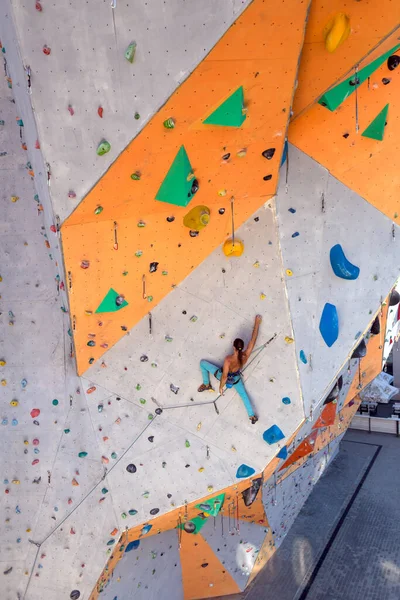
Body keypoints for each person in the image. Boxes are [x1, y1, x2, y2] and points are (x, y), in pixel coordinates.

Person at [198, 315, 262, 424]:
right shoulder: (245, 356)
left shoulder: (228, 360)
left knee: (203, 363)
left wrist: (221, 387)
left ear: (233, 347)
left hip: (225, 377)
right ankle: (251, 416)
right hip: (236, 380)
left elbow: (224, 376)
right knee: (244, 395)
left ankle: (206, 383)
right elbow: (253, 340)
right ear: (241, 348)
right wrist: (257, 323)